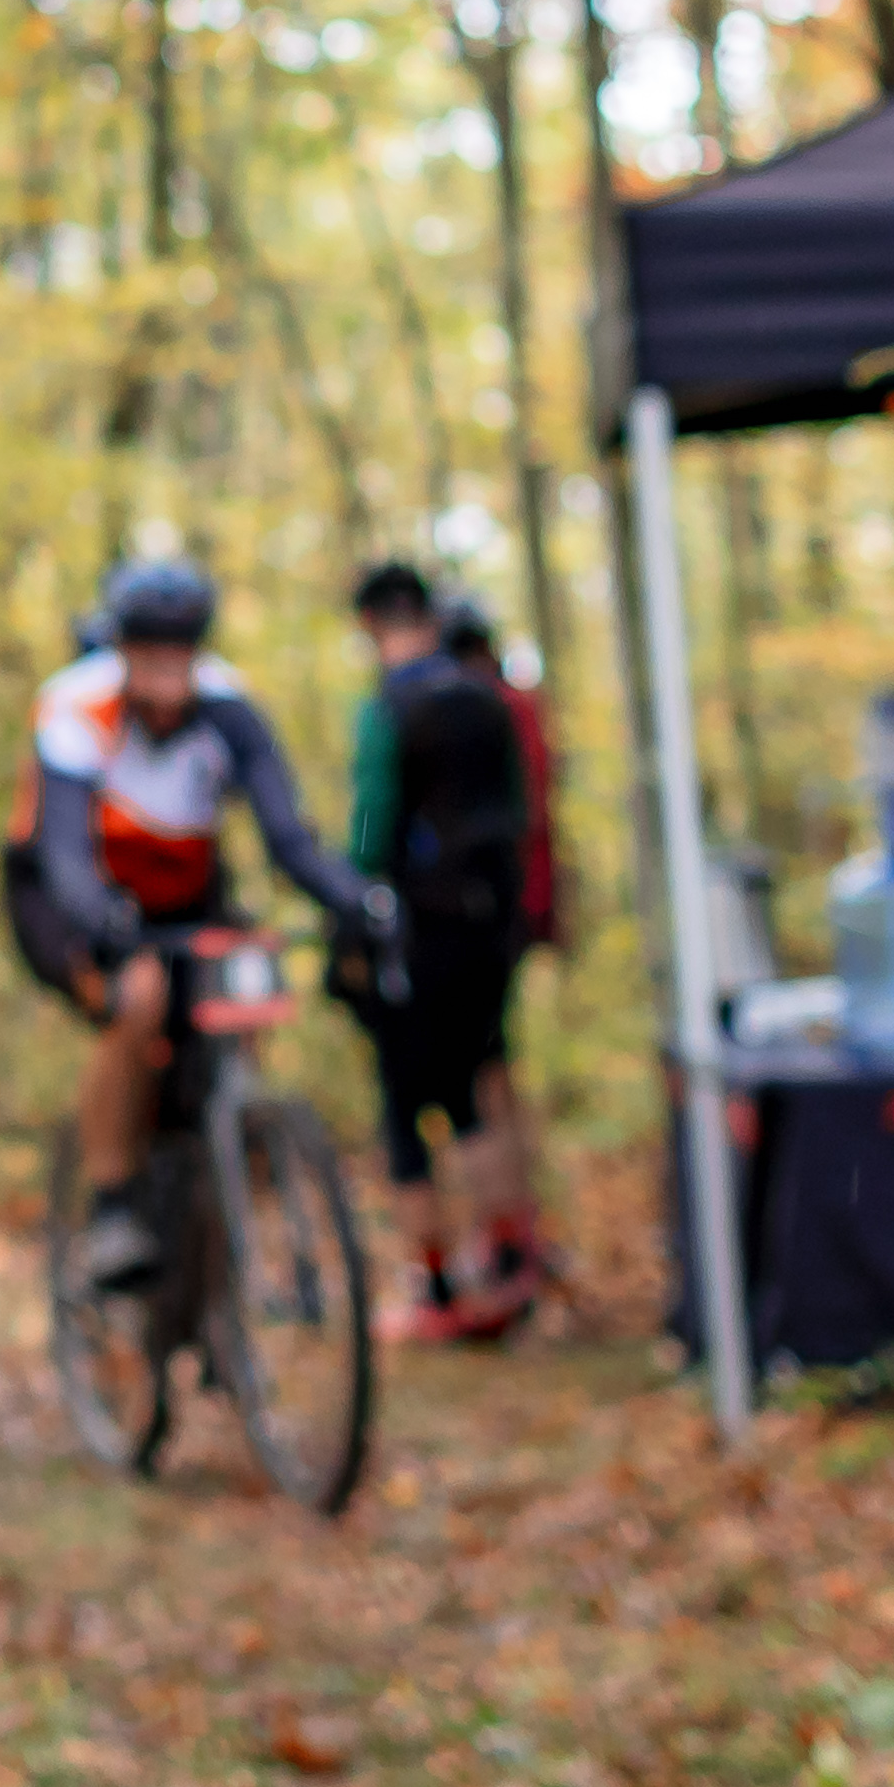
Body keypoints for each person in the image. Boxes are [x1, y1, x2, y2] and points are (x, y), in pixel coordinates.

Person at [5, 559, 383, 1290]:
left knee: (244, 994)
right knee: (140, 997)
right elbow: (63, 852)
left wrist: (355, 898)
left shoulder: (230, 708)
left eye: (180, 657)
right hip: (67, 888)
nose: (165, 678)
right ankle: (112, 1205)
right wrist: (105, 926)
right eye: (147, 657)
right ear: (120, 654)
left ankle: (233, 1178)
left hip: (185, 891)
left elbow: (287, 837)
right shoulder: (76, 709)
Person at [338, 565, 556, 1340]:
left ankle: (432, 1286)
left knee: (405, 1107)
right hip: (492, 927)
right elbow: (523, 807)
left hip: (417, 935)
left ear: (371, 623)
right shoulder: (488, 699)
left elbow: (370, 825)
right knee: (475, 1090)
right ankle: (505, 1264)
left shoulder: (390, 706)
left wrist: (351, 909)